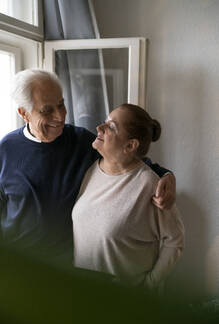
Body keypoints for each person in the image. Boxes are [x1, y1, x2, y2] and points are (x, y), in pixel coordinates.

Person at [0, 69, 175, 266]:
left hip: (66, 267)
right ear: (24, 113)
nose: (59, 116)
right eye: (47, 110)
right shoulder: (5, 149)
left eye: (61, 104)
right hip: (16, 264)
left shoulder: (82, 141)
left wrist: (166, 175)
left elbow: (130, 161)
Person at [72, 104, 184, 288]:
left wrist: (149, 284)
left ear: (130, 145)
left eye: (111, 127)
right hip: (86, 295)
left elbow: (175, 239)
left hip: (129, 303)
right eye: (105, 122)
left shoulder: (150, 185)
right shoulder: (90, 170)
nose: (100, 128)